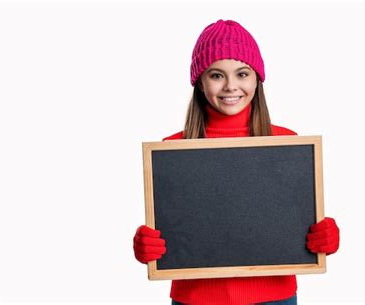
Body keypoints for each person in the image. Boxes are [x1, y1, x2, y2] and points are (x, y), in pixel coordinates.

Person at [133, 19, 340, 305]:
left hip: (274, 298)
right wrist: (148, 246)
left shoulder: (289, 144)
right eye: (217, 75)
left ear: (257, 78)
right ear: (200, 83)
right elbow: (172, 235)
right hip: (196, 300)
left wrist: (324, 237)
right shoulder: (172, 151)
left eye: (242, 73)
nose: (231, 86)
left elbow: (299, 225)